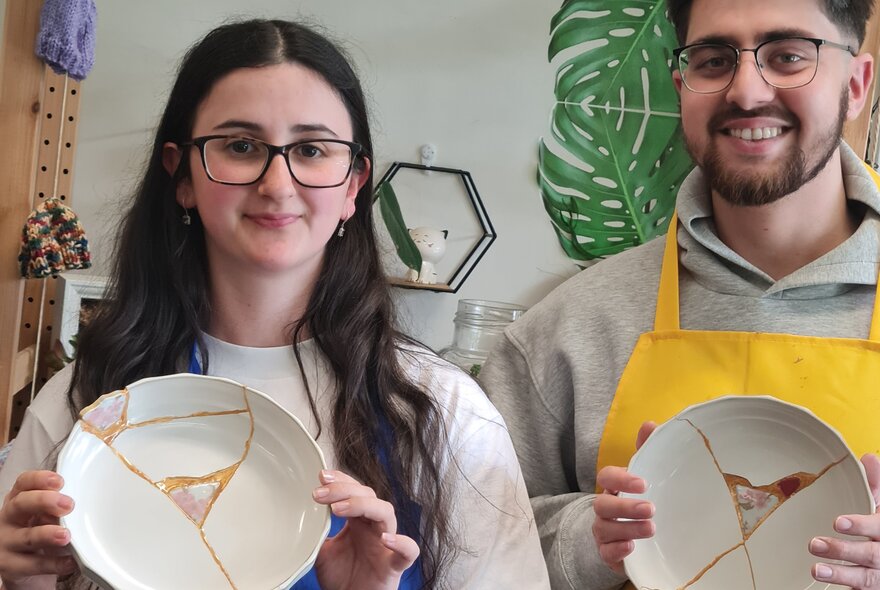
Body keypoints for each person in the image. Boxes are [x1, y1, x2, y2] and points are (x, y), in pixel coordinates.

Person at [0, 19, 550, 590]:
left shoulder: (443, 412)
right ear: (181, 175)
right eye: (241, 146)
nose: (278, 183)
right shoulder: (87, 399)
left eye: (312, 150)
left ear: (353, 185)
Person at [479, 0, 880, 588]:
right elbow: (467, 537)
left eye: (789, 56)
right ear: (681, 84)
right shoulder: (568, 329)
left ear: (856, 83)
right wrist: (588, 538)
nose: (746, 91)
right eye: (714, 60)